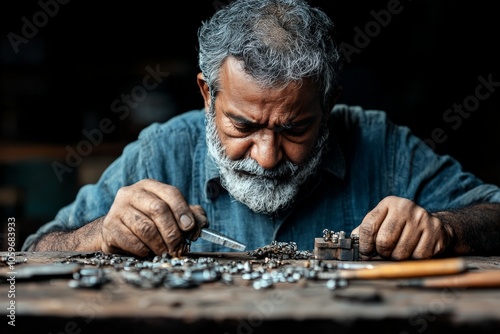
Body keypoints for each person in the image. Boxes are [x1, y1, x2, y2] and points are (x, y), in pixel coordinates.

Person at [22, 0, 500, 260]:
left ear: (328, 105)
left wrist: (445, 229)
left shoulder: (382, 144)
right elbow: (26, 248)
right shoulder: (162, 150)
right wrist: (99, 234)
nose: (268, 156)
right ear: (208, 95)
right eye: (243, 125)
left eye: (296, 128)